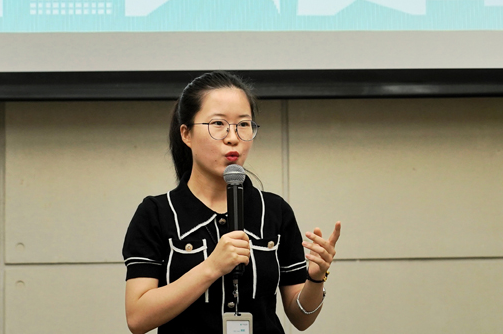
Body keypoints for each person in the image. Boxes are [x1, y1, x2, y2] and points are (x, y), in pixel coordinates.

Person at [123, 71, 341, 334]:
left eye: (243, 124)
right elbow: (137, 318)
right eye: (218, 124)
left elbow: (301, 319)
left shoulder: (274, 211)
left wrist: (316, 278)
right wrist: (212, 267)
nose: (233, 137)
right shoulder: (157, 213)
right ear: (186, 134)